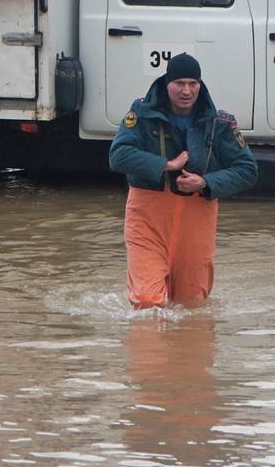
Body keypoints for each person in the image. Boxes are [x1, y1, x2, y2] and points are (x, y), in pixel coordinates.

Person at [110, 53, 257, 309]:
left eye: (193, 83)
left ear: (200, 85)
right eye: (179, 83)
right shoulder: (141, 114)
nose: (186, 91)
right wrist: (166, 166)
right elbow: (118, 156)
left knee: (192, 306)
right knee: (147, 302)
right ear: (167, 83)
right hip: (148, 217)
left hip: (197, 216)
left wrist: (205, 182)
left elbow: (248, 170)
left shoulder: (220, 123)